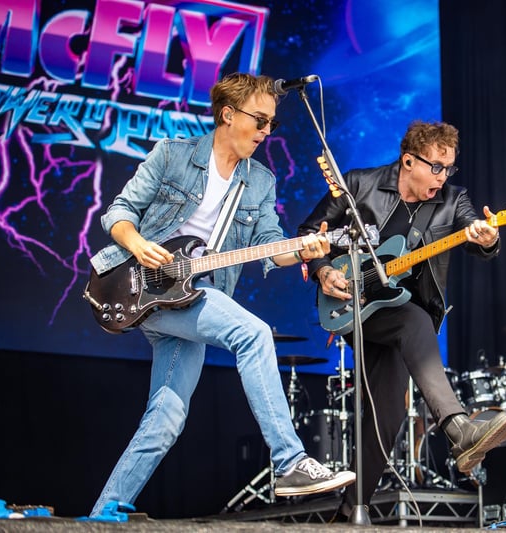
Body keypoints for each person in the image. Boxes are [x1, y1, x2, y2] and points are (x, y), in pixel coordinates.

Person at [87, 73, 355, 517]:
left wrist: (306, 251)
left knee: (166, 418)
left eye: (271, 124)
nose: (267, 132)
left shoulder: (261, 181)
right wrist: (137, 245)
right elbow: (118, 212)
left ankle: (101, 516)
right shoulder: (172, 155)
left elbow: (271, 245)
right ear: (228, 115)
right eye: (260, 121)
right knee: (252, 334)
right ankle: (289, 461)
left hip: (192, 294)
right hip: (138, 288)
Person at [298, 120, 506, 519]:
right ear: (408, 161)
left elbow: (472, 226)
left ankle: (351, 512)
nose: (443, 176)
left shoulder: (454, 199)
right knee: (414, 320)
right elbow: (311, 232)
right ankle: (458, 428)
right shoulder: (358, 185)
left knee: (389, 412)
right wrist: (323, 270)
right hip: (355, 304)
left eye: (449, 168)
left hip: (400, 314)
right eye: (436, 166)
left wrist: (488, 237)